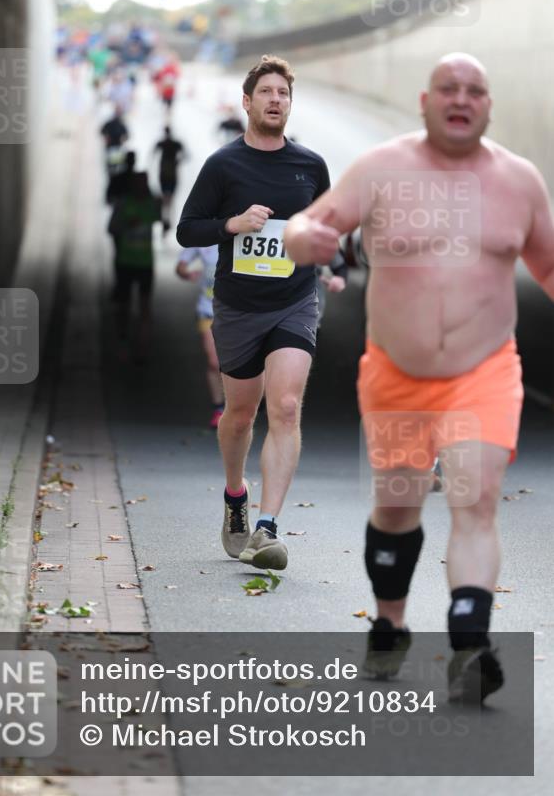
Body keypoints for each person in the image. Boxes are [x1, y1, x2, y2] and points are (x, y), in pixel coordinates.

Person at [284, 52, 554, 701]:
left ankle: (468, 645)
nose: (460, 99)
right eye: (447, 89)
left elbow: (548, 267)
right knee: (398, 505)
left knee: (475, 495)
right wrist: (301, 239)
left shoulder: (519, 182)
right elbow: (305, 228)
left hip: (483, 371)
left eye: (473, 91)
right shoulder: (380, 170)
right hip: (395, 375)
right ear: (424, 100)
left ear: (488, 106)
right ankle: (389, 622)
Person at [177, 55, 331, 571]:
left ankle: (267, 527)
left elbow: (326, 226)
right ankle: (236, 497)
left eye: (283, 94)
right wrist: (233, 224)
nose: (274, 101)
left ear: (290, 103)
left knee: (285, 406)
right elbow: (187, 230)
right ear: (247, 102)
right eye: (265, 92)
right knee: (240, 415)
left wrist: (324, 253)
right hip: (238, 306)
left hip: (294, 301)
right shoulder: (224, 165)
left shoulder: (310, 166)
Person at [108, 172, 161, 364]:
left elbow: (162, 222)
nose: (141, 188)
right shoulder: (123, 204)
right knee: (124, 305)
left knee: (145, 305)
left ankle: (142, 347)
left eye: (144, 184)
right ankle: (122, 341)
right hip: (125, 262)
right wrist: (125, 225)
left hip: (145, 263)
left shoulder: (151, 204)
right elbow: (111, 229)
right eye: (138, 184)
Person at [175, 245, 224, 429]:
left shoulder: (243, 235)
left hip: (238, 312)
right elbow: (180, 266)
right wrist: (186, 274)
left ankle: (241, 406)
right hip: (208, 310)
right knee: (214, 362)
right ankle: (219, 409)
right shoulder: (205, 237)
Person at [155, 126, 186, 232]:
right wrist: (178, 161)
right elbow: (185, 154)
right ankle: (168, 219)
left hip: (164, 172)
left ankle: (166, 219)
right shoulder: (175, 144)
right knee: (170, 198)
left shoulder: (163, 143)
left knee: (166, 198)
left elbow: (153, 154)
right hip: (171, 173)